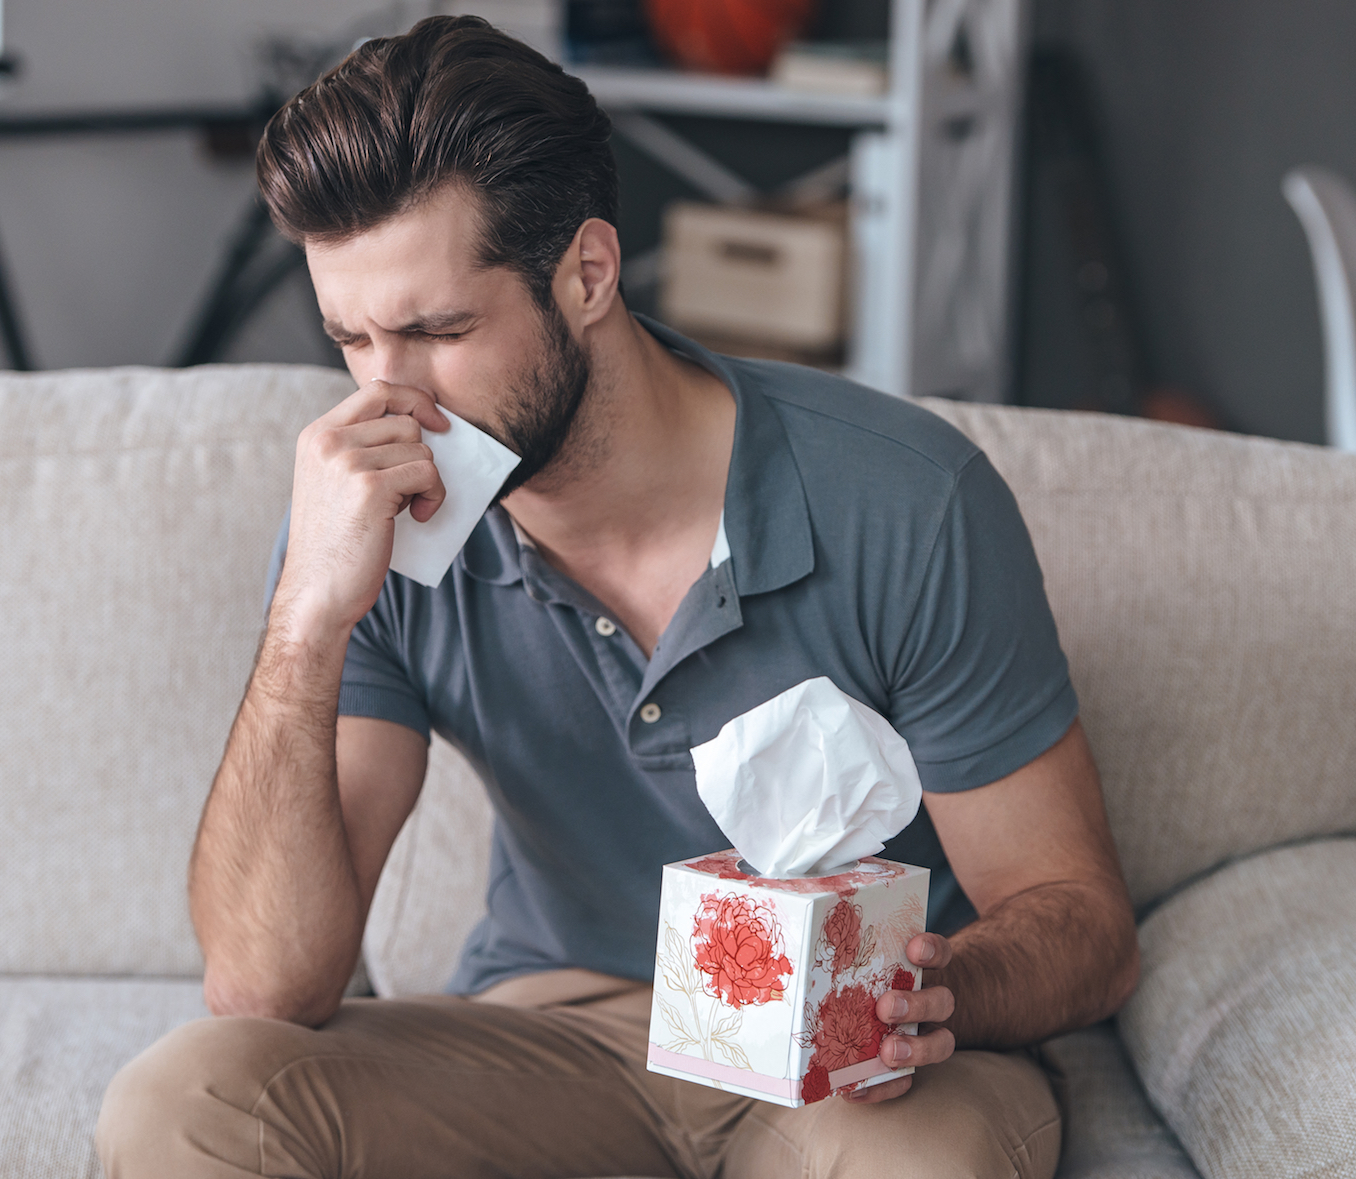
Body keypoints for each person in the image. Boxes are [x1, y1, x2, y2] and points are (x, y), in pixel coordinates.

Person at [96, 15, 1138, 1178]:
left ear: (587, 273)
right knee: (184, 1100)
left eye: (439, 330)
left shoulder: (902, 499)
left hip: (848, 1064)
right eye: (351, 339)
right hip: (556, 1043)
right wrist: (304, 619)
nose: (391, 396)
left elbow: (1075, 917)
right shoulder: (369, 525)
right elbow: (263, 984)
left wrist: (949, 985)